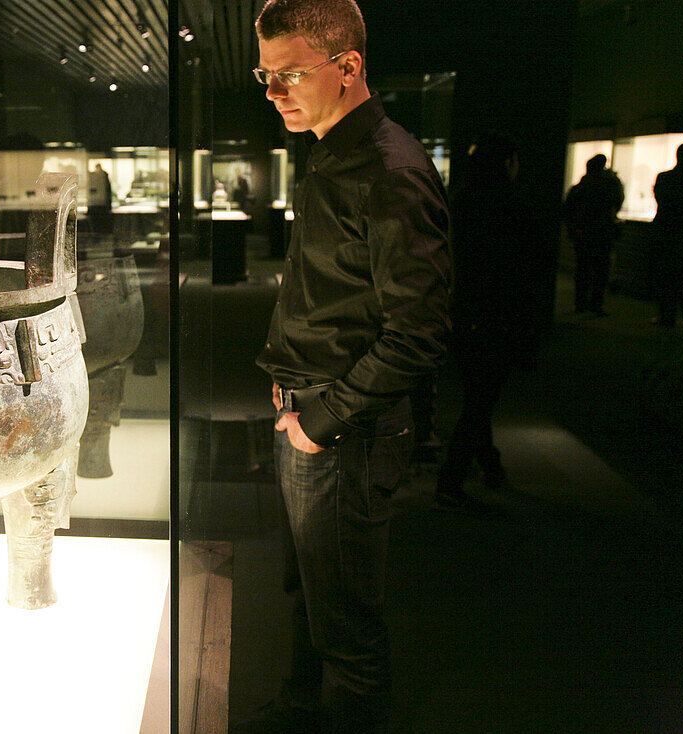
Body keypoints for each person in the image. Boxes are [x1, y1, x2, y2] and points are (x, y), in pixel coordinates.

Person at [248, 1, 451, 731]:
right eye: (265, 76)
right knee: (311, 592)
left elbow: (420, 331)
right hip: (312, 411)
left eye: (290, 75)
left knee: (347, 624)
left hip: (342, 428)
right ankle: (301, 710)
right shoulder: (336, 151)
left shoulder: (388, 168)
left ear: (349, 67)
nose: (274, 93)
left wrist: (322, 423)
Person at [435, 132, 539, 512]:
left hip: (463, 312)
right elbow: (522, 272)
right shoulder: (510, 206)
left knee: (478, 396)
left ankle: (489, 465)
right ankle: (451, 480)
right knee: (480, 402)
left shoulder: (462, 200)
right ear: (507, 164)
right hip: (497, 316)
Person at [564, 154, 624, 316]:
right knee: (600, 271)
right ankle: (596, 305)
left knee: (583, 269)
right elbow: (618, 201)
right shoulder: (609, 186)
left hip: (582, 235)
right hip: (602, 234)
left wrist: (574, 229)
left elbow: (568, 210)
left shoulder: (579, 188)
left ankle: (580, 304)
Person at [649, 142, 683, 327]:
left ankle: (667, 316)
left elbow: (661, 201)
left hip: (666, 233)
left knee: (667, 277)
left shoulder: (665, 177)